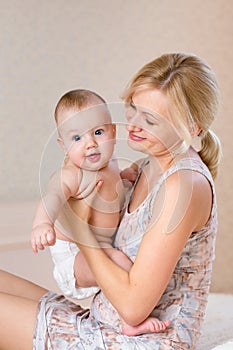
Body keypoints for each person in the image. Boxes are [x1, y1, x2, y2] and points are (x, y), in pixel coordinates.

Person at [0, 53, 221, 349]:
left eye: (151, 120)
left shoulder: (184, 185)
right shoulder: (144, 166)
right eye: (132, 108)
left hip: (143, 341)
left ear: (191, 129)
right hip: (103, 322)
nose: (134, 124)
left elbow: (133, 307)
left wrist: (77, 226)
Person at [30, 88, 168, 335]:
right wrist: (42, 224)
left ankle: (122, 314)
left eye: (97, 132)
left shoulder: (113, 164)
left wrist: (124, 179)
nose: (90, 144)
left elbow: (111, 195)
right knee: (122, 265)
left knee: (123, 263)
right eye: (77, 139)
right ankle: (130, 320)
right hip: (73, 257)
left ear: (113, 132)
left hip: (101, 245)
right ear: (63, 146)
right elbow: (52, 197)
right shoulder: (72, 175)